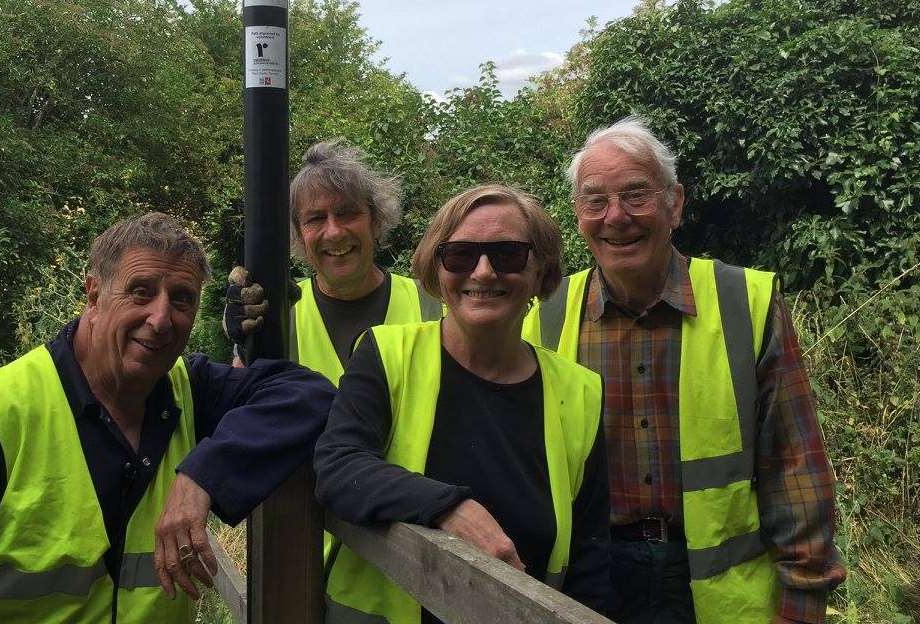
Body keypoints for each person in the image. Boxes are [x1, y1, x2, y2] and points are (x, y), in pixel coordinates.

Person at [0, 212, 335, 623]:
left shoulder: (187, 390)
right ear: (93, 295)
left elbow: (308, 394)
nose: (161, 317)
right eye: (141, 291)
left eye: (182, 298)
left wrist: (202, 476)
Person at [523, 117, 845, 624]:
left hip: (720, 593)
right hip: (589, 583)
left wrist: (804, 598)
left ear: (675, 204)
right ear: (577, 215)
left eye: (636, 195)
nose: (616, 217)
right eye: (595, 201)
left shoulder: (746, 302)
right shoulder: (545, 314)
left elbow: (794, 464)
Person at [316, 185, 611, 624]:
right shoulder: (387, 352)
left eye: (508, 254)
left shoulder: (581, 391)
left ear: (540, 272)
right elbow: (338, 466)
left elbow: (591, 559)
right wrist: (449, 507)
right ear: (436, 269)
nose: (484, 271)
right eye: (460, 255)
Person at [225, 139, 441, 384]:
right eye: (316, 218)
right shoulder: (279, 311)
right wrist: (246, 347)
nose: (334, 232)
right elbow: (244, 402)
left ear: (376, 220)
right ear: (299, 234)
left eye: (347, 213)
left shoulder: (435, 304)